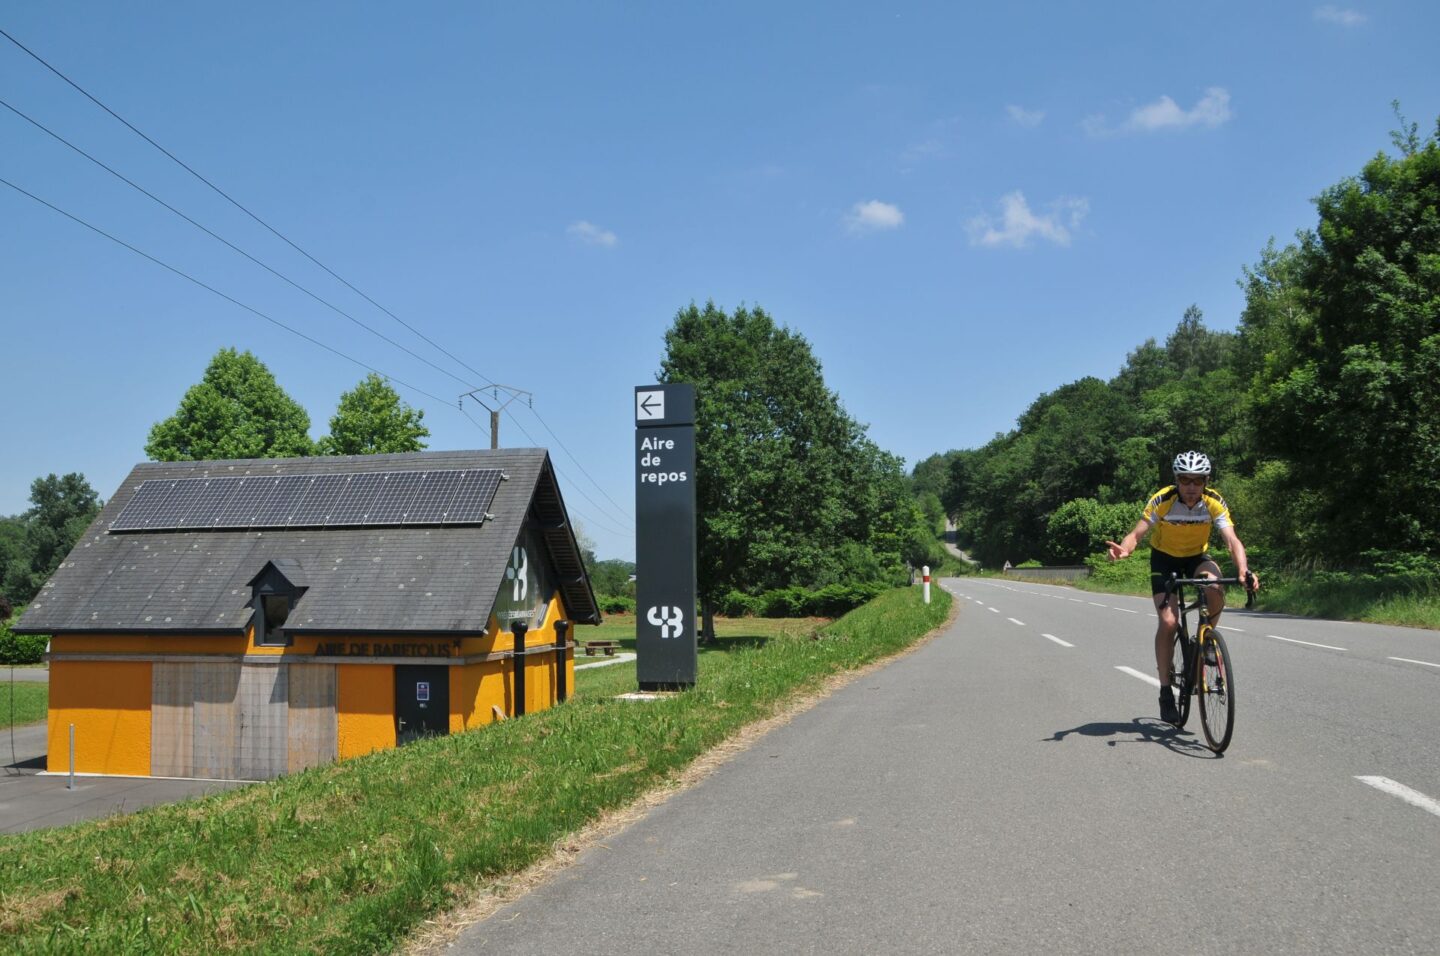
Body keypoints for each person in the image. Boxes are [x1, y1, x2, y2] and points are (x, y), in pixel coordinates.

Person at [1105, 451, 1259, 724]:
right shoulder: (1163, 500)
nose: (1191, 487)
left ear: (1205, 481)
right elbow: (1137, 534)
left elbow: (1232, 540)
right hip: (1164, 559)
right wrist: (1125, 550)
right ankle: (1165, 691)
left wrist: (1244, 571)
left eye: (1197, 481)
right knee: (1168, 621)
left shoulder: (1213, 502)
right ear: (1176, 480)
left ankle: (1207, 636)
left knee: (1214, 586)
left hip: (1196, 557)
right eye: (1185, 480)